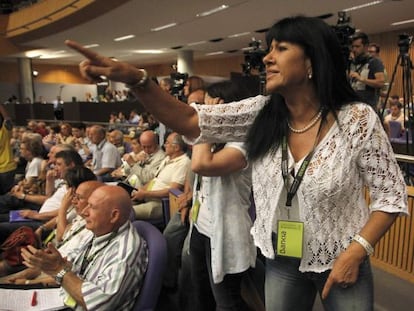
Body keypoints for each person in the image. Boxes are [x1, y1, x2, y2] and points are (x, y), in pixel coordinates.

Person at [67, 14, 408, 311]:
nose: (267, 58)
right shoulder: (262, 113)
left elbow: (390, 197)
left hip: (343, 256)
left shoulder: (356, 119)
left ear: (312, 63)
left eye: (280, 49)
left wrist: (356, 252)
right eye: (268, 49)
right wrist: (137, 80)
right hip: (282, 259)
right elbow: (189, 120)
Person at [21, 185, 148, 311]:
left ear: (114, 216)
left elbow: (99, 304)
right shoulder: (101, 230)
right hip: (64, 299)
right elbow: (81, 270)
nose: (83, 212)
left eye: (92, 207)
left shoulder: (124, 253)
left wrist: (58, 269)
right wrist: (59, 264)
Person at [188, 80, 255, 311]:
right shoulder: (218, 140)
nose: (201, 111)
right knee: (201, 294)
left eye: (207, 105)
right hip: (200, 227)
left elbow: (201, 164)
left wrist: (207, 119)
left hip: (225, 232)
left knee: (227, 303)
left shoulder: (245, 142)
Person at [131, 132, 190, 220]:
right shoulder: (167, 158)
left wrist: (145, 193)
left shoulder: (183, 162)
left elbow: (173, 191)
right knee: (120, 204)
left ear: (176, 147)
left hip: (160, 203)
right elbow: (155, 179)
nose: (164, 145)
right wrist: (141, 191)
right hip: (147, 197)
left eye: (167, 143)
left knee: (127, 213)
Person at [349, 32, 385, 110]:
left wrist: (362, 79)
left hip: (368, 107)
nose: (354, 49)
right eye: (353, 46)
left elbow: (381, 82)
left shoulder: (375, 62)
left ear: (366, 47)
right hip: (353, 105)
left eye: (357, 46)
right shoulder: (352, 63)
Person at [0, 103, 17, 195]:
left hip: (6, 169)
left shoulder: (4, 132)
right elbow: (7, 119)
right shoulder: (5, 133)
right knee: (8, 196)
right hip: (7, 168)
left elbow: (7, 119)